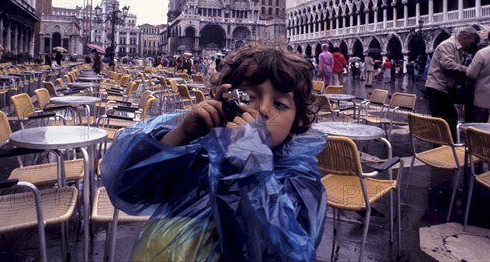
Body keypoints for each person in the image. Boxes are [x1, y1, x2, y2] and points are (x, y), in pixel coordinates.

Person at [101, 44, 327, 261]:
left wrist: (251, 164)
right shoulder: (200, 155)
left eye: (279, 104)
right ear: (225, 97)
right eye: (249, 97)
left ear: (297, 120)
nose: (264, 109)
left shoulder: (299, 179)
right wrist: (181, 134)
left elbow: (282, 254)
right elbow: (129, 189)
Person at [425, 27, 480, 140]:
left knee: (450, 118)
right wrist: (469, 70)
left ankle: (446, 144)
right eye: (471, 42)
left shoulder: (458, 48)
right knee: (444, 120)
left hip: (446, 88)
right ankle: (442, 147)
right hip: (438, 88)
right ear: (465, 37)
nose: (470, 46)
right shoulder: (448, 45)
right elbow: (448, 64)